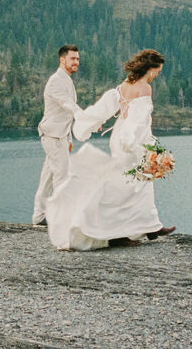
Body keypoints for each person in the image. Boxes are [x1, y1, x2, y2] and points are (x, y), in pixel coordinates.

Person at [44, 49, 176, 250]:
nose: (158, 73)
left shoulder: (125, 85)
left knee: (140, 182)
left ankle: (151, 226)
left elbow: (104, 108)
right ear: (151, 68)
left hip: (120, 137)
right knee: (128, 185)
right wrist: (145, 147)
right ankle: (117, 234)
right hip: (131, 140)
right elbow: (138, 122)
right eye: (158, 69)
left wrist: (88, 124)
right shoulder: (144, 88)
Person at [31, 44, 83, 226]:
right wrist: (85, 118)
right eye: (73, 58)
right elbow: (67, 104)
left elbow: (66, 113)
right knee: (62, 177)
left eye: (77, 58)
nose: (77, 61)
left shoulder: (66, 79)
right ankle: (64, 221)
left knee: (47, 178)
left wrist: (69, 139)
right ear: (62, 60)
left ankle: (38, 217)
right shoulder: (56, 80)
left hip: (59, 136)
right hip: (52, 135)